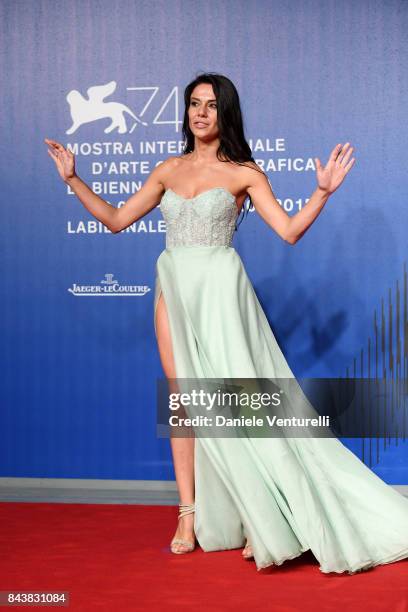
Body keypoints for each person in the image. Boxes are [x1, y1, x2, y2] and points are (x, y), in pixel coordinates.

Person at [45, 72, 408, 575]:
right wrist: (72, 180)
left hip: (221, 290)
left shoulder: (245, 173)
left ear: (225, 114)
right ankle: (188, 516)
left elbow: (287, 233)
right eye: (194, 104)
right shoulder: (167, 170)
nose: (200, 113)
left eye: (211, 106)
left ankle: (266, 513)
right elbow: (114, 219)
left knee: (238, 401)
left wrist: (322, 193)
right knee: (183, 401)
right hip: (174, 287)